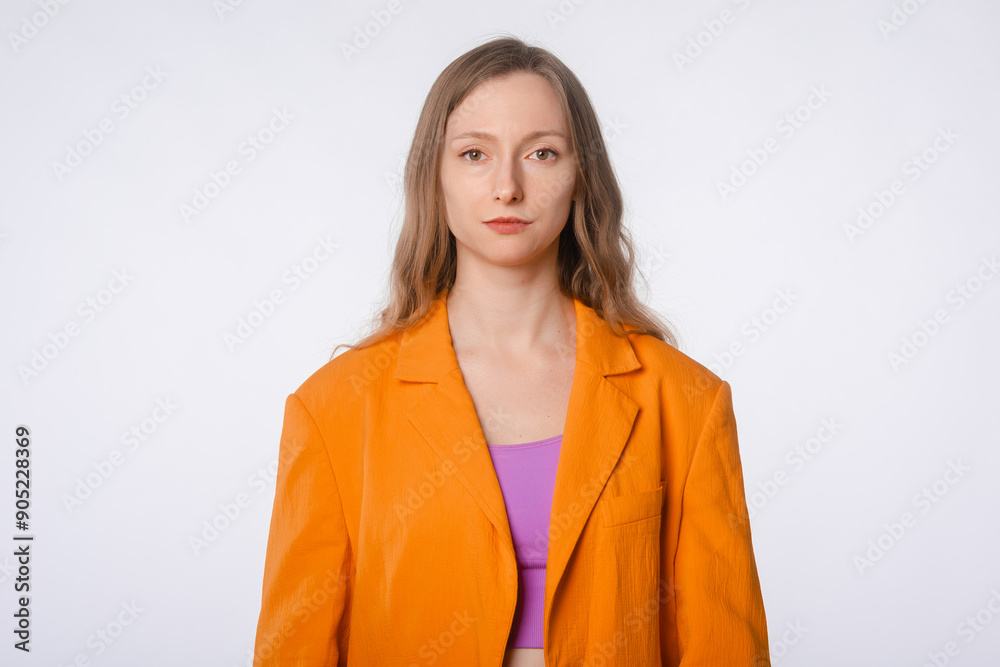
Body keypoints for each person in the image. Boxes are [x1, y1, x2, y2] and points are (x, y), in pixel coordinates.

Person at [253, 35, 771, 666]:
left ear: (582, 176)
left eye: (543, 153)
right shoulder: (332, 408)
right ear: (433, 177)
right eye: (474, 154)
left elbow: (726, 649)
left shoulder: (686, 401)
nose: (508, 186)